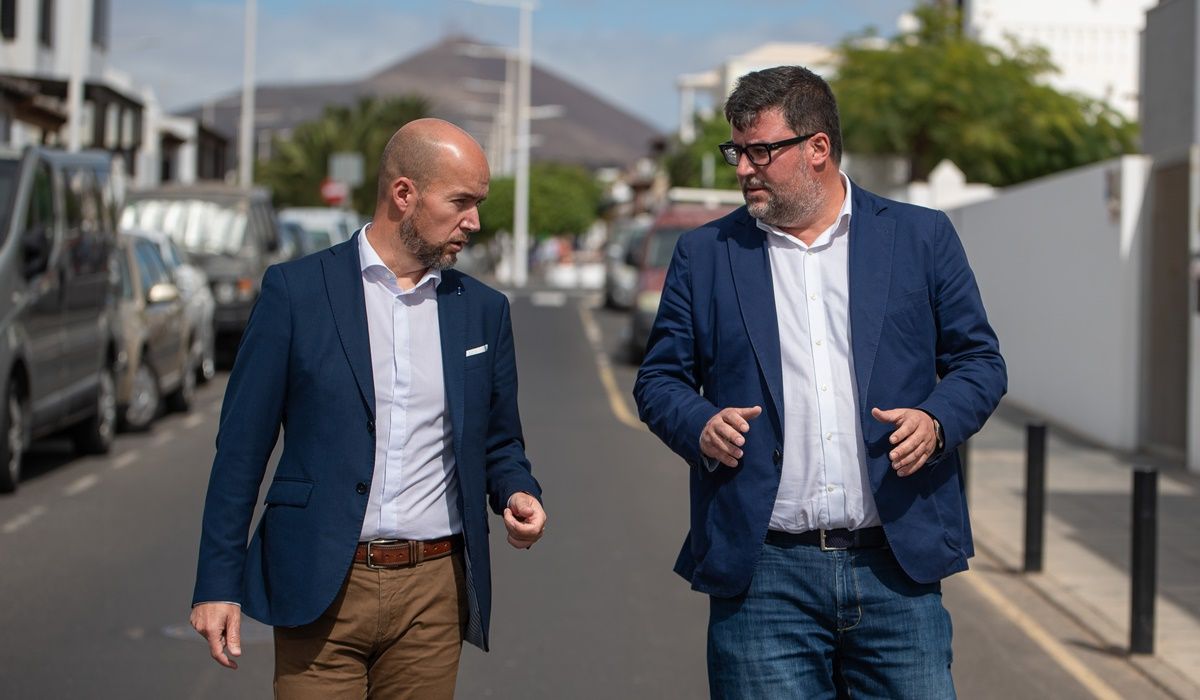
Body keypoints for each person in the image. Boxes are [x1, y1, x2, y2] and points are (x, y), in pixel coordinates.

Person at [633, 66, 1006, 699]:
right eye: (737, 152)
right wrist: (699, 424)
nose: (743, 168)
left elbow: (979, 362)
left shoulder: (921, 237)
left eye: (760, 151)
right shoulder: (706, 254)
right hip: (763, 578)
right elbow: (660, 379)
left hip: (895, 569)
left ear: (818, 149)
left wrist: (938, 422)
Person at [190, 118, 546, 699]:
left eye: (478, 204)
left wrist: (517, 492)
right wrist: (215, 584)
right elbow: (240, 451)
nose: (474, 222)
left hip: (435, 588)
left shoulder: (482, 310)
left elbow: (500, 442)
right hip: (321, 582)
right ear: (404, 194)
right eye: (461, 202)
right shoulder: (296, 292)